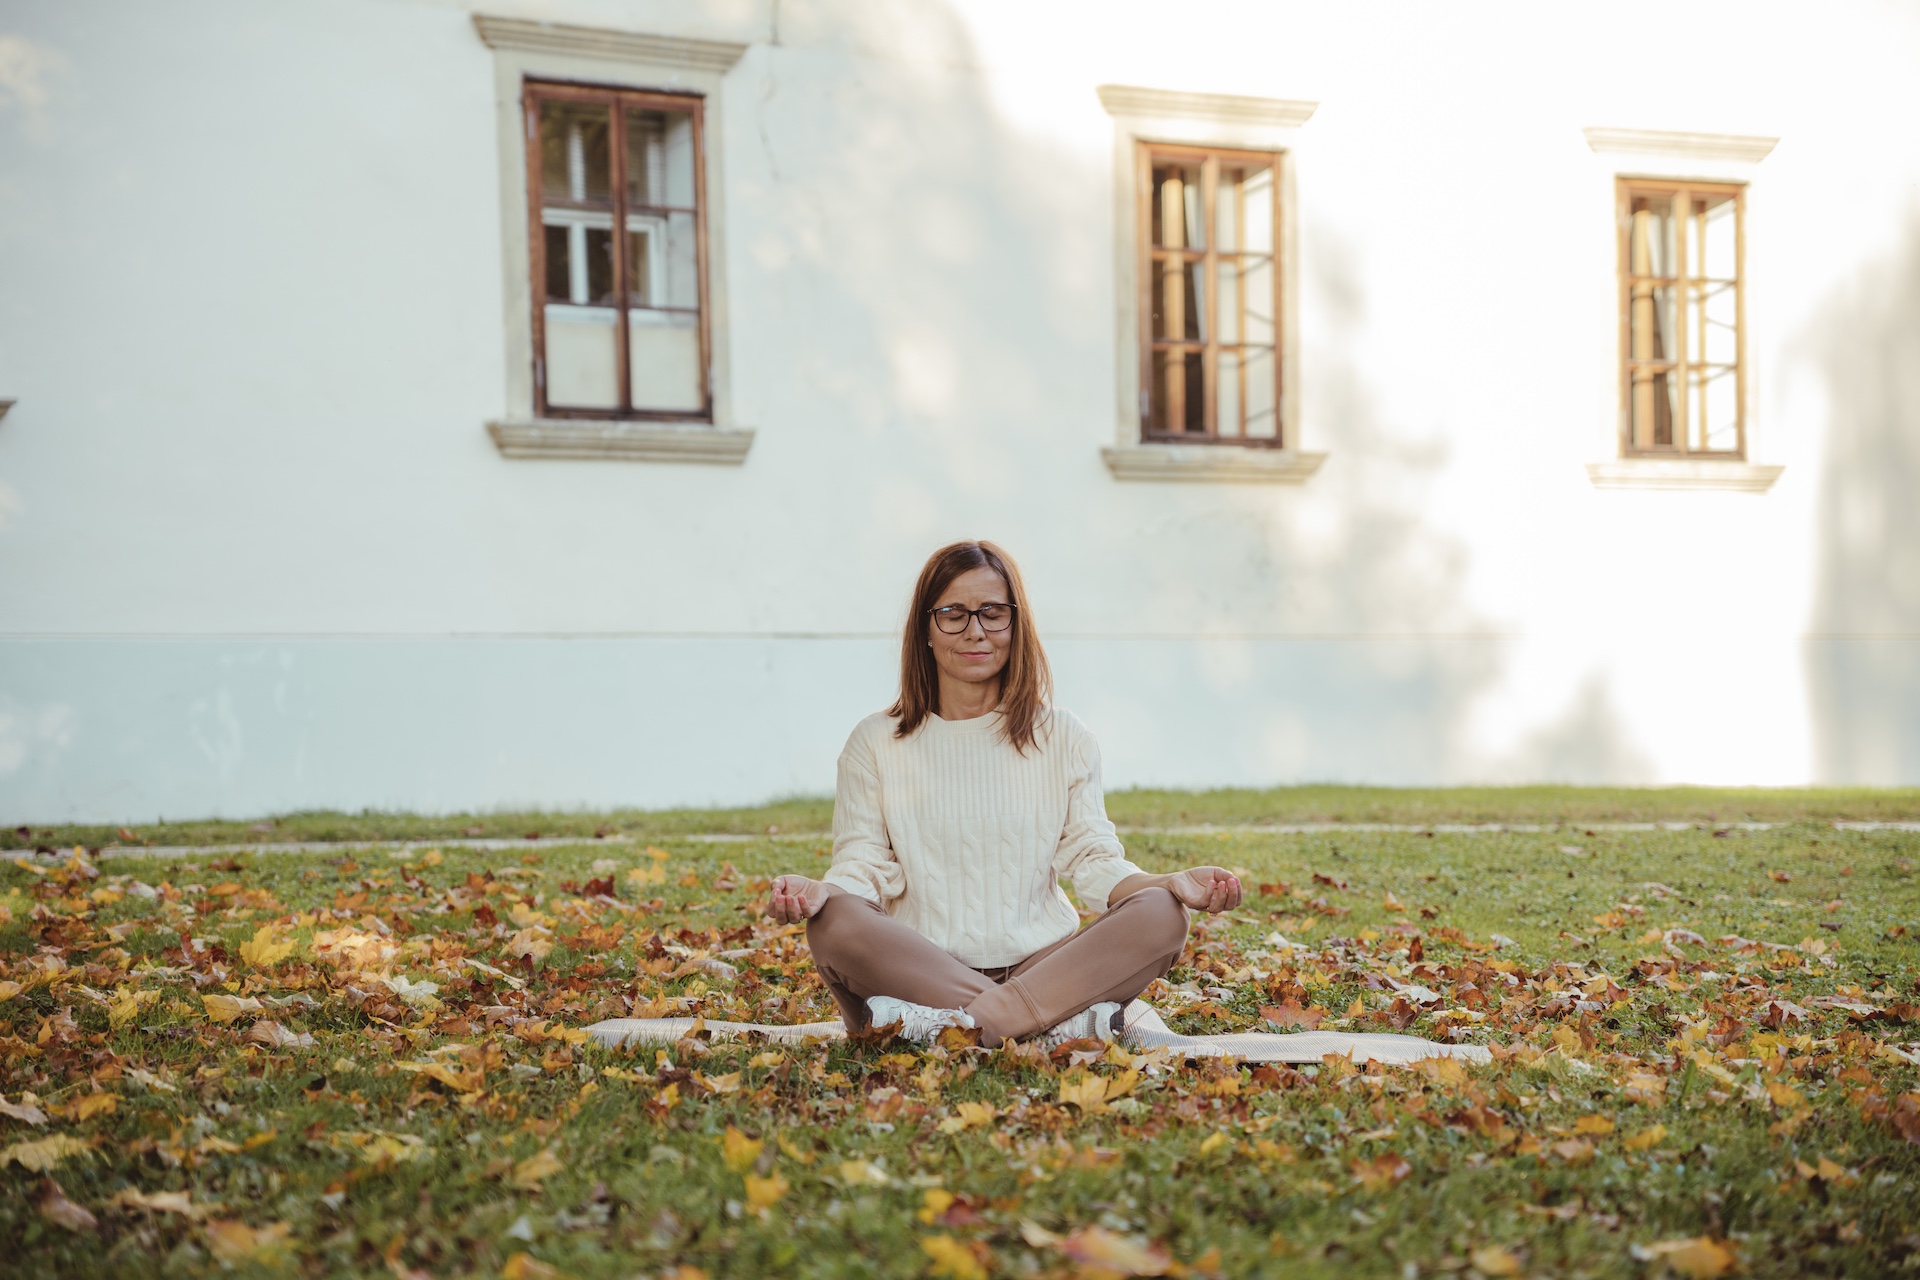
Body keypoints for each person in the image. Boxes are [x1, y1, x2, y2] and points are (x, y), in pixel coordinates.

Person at [767, 540, 1242, 1047]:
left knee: (1161, 912)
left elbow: (1094, 859)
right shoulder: (875, 741)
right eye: (953, 614)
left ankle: (955, 1027)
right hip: (919, 970)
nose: (975, 630)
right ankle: (1044, 1024)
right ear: (925, 628)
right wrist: (822, 893)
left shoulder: (1064, 737)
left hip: (1044, 967)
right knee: (833, 921)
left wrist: (1169, 882)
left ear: (1016, 625)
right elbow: (861, 866)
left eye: (993, 613)